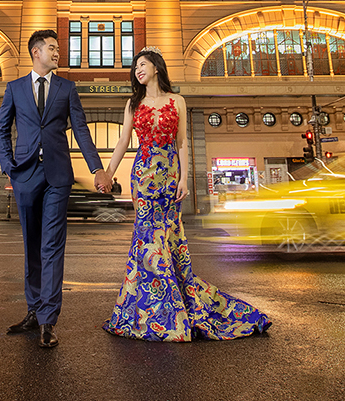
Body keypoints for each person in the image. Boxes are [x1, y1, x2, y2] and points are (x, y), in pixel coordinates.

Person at [101, 47, 271, 342]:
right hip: (143, 175)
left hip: (168, 174)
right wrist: (108, 171)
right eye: (135, 67)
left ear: (156, 67)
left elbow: (182, 144)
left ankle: (168, 303)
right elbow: (123, 141)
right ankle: (153, 307)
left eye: (143, 65)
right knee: (146, 237)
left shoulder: (176, 101)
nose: (138, 70)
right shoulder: (133, 103)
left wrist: (183, 179)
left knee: (168, 235)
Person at [0, 28, 112, 349]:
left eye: (58, 49)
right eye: (51, 48)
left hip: (58, 177)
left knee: (52, 247)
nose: (57, 52)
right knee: (31, 245)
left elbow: (81, 129)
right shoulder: (15, 89)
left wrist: (97, 168)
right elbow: (2, 130)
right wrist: (10, 167)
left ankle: (48, 320)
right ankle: (33, 309)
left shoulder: (67, 88)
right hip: (25, 176)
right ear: (36, 52)